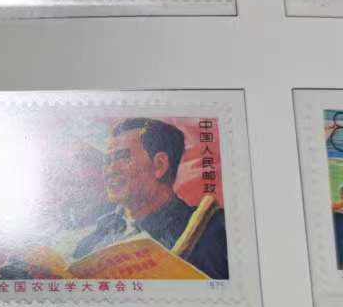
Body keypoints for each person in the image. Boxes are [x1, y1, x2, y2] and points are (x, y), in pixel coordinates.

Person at [70, 117, 230, 279]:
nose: (110, 170)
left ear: (160, 165)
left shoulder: (212, 231)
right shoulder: (96, 236)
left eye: (123, 157)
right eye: (107, 161)